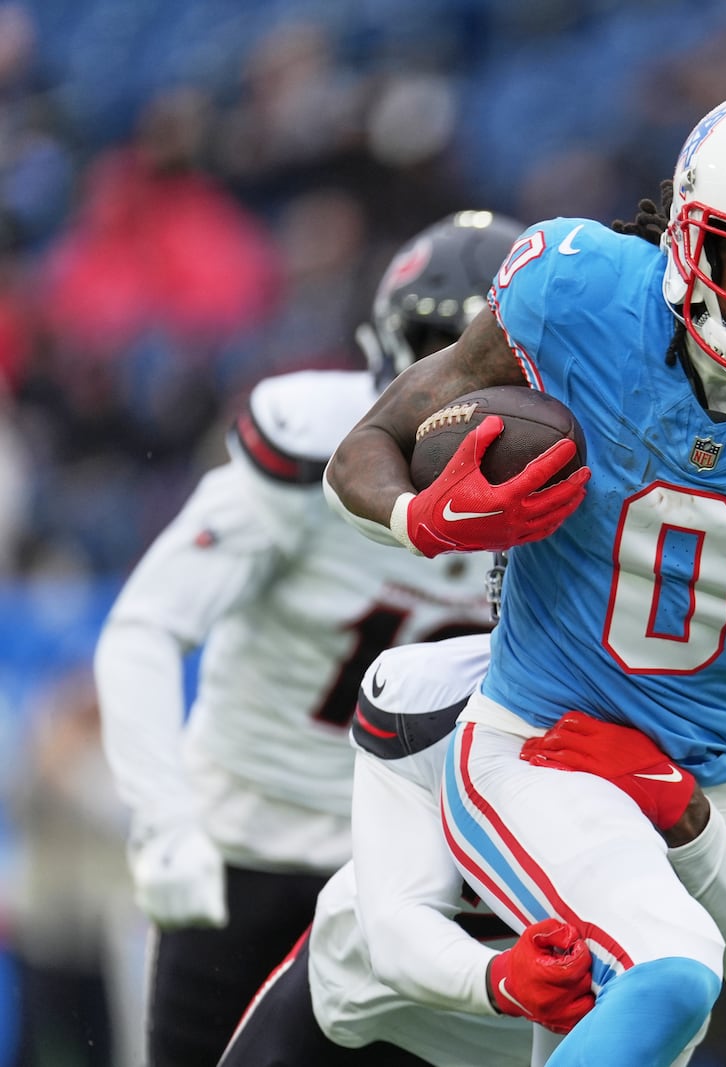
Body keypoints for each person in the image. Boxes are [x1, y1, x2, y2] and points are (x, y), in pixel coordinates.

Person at [322, 85, 726, 1065]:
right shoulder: (574, 291)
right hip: (541, 741)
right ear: (691, 233)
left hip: (703, 764)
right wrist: (423, 515)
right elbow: (365, 444)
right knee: (672, 964)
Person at [92, 210, 525, 1067]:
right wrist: (165, 821)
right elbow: (144, 627)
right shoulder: (307, 446)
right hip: (249, 849)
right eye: (432, 345)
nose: (452, 382)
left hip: (414, 874)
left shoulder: (573, 477)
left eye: (472, 350)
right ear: (380, 349)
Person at [218, 618, 726, 1067]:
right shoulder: (430, 696)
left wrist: (690, 817)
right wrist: (497, 978)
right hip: (375, 1026)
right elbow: (395, 931)